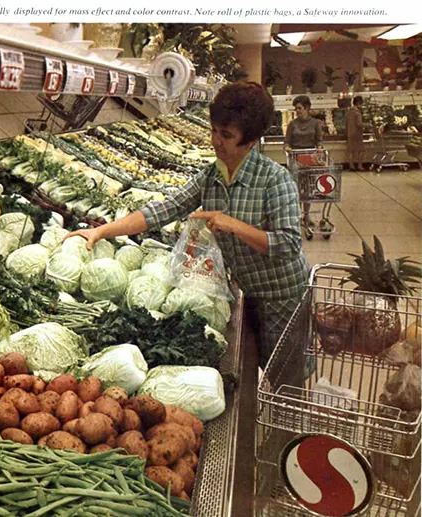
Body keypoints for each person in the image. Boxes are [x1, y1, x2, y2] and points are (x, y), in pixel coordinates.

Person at [65, 82, 310, 370]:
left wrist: (234, 225)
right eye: (214, 131)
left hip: (282, 296)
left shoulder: (275, 180)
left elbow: (289, 245)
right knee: (256, 367)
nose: (215, 141)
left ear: (252, 140)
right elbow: (163, 210)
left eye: (227, 136)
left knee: (285, 377)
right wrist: (101, 230)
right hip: (248, 290)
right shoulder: (211, 176)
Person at [283, 95, 323, 230]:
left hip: (310, 157)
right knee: (296, 187)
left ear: (307, 108)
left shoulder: (315, 123)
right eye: (296, 109)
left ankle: (306, 215)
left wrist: (319, 148)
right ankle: (297, 215)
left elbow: (319, 140)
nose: (297, 111)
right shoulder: (292, 124)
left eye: (299, 108)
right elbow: (287, 141)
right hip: (296, 157)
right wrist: (287, 148)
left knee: (308, 188)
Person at [346, 95, 365, 171]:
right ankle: (360, 166)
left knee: (351, 151)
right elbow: (359, 124)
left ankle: (351, 166)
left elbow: (346, 123)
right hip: (357, 134)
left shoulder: (348, 112)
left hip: (350, 133)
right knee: (361, 150)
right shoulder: (357, 113)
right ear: (358, 103)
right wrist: (368, 125)